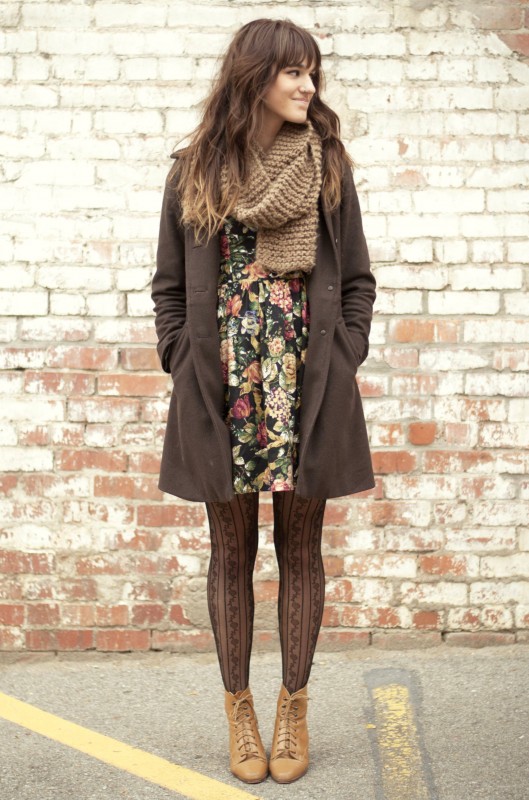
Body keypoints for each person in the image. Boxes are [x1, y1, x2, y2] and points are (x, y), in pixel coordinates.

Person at [151, 17, 376, 786]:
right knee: (231, 553)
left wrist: (343, 357)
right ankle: (239, 710)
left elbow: (356, 281)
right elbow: (168, 288)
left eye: (312, 73)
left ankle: (293, 707)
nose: (308, 86)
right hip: (222, 393)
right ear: (255, 77)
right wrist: (182, 360)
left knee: (300, 550)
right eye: (293, 72)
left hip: (305, 389)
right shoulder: (194, 173)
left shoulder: (326, 166)